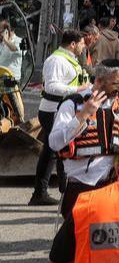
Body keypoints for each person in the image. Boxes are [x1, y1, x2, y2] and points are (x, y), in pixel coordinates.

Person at [49, 64, 119, 220]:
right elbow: (54, 143)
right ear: (99, 81)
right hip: (80, 186)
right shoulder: (72, 104)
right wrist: (83, 114)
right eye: (115, 83)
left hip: (109, 186)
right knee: (74, 234)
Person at [32, 29, 91, 206]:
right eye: (81, 43)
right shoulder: (56, 60)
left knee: (55, 151)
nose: (84, 46)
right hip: (52, 111)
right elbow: (51, 87)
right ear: (73, 44)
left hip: (61, 109)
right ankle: (45, 193)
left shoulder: (69, 59)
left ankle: (52, 192)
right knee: (57, 150)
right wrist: (77, 90)